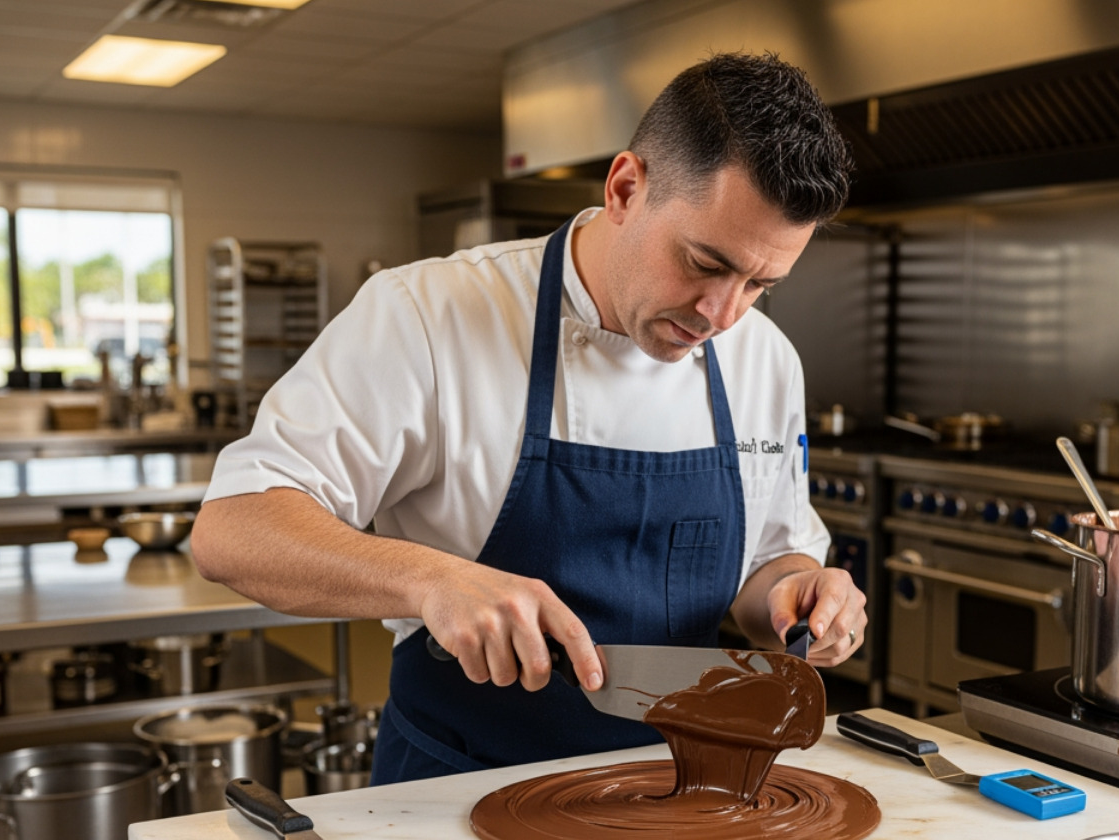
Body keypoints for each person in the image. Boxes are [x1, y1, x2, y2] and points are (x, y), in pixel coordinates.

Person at [191, 52, 868, 783]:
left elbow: (771, 557)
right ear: (625, 188)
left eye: (760, 284)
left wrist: (799, 596)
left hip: (677, 789)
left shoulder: (764, 358)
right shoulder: (426, 316)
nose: (721, 314)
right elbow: (234, 531)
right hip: (454, 792)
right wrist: (430, 579)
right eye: (704, 262)